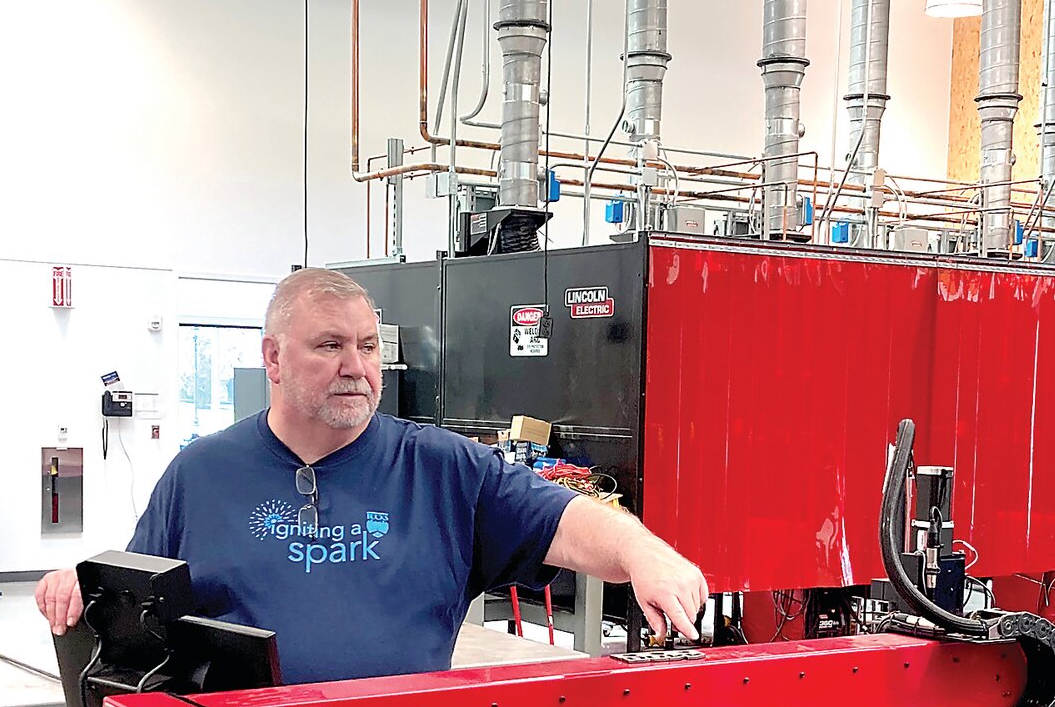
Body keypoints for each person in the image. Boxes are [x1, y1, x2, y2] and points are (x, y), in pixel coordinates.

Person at [35, 267, 707, 684]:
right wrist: (82, 582)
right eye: (329, 345)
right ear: (272, 357)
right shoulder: (199, 475)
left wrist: (644, 551)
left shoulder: (442, 469)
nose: (355, 364)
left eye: (367, 345)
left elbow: (562, 517)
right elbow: (136, 599)